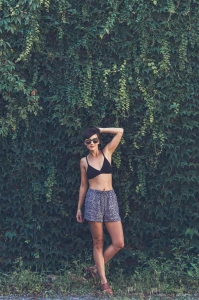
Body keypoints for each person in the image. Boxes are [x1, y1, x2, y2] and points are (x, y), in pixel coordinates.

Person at [76, 126, 125, 295]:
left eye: (95, 140)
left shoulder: (107, 153)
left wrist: (101, 129)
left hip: (110, 197)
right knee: (98, 242)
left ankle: (95, 268)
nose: (92, 143)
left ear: (99, 141)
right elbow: (83, 185)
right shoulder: (84, 161)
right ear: (85, 143)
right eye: (88, 141)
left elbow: (120, 131)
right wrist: (79, 208)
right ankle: (103, 282)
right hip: (93, 199)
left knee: (119, 242)